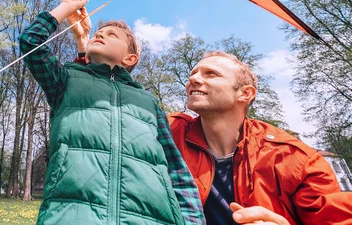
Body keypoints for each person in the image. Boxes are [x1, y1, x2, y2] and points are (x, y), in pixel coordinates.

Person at [71, 16, 352, 225]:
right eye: (193, 73)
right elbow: (106, 109)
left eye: (211, 74)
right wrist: (85, 49)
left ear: (245, 93)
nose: (194, 78)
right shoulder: (167, 131)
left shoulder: (293, 158)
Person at [19, 0, 204, 225]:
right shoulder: (66, 82)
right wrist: (66, 9)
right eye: (99, 31)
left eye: (112, 35)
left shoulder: (148, 102)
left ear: (130, 59)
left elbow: (177, 172)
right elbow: (31, 43)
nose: (101, 34)